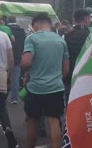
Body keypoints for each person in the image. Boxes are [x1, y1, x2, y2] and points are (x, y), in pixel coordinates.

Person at [21, 13, 69, 148]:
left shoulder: (31, 39)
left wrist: (26, 69)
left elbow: (26, 63)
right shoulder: (61, 40)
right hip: (56, 88)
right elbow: (66, 69)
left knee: (32, 120)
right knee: (54, 121)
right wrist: (56, 79)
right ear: (49, 24)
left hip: (36, 88)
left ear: (35, 24)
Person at [64, 9, 91, 104]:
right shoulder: (90, 36)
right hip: (84, 76)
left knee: (69, 104)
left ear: (75, 20)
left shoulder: (67, 35)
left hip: (69, 76)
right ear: (86, 20)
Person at [0, 30, 18, 148]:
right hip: (1, 73)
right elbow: (11, 59)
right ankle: (8, 129)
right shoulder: (4, 35)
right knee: (1, 106)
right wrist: (9, 75)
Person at [7, 15, 26, 104]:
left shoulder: (6, 30)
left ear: (8, 20)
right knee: (15, 79)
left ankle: (3, 97)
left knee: (4, 78)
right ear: (16, 20)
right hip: (18, 58)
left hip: (6, 57)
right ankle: (14, 98)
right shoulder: (22, 31)